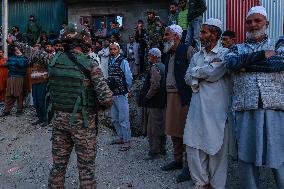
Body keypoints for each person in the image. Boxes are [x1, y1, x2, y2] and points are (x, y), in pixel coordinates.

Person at [224, 6, 284, 189]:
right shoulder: (236, 48)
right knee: (246, 156)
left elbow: (280, 62)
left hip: (273, 106)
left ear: (267, 23)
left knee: (279, 154)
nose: (252, 25)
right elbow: (230, 63)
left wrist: (246, 65)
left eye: (257, 21)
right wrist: (262, 55)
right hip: (245, 107)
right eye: (249, 22)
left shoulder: (279, 43)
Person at [47, 24, 113, 188]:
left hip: (59, 121)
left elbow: (34, 53)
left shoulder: (54, 60)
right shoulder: (90, 64)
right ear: (84, 41)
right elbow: (106, 99)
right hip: (83, 123)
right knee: (86, 170)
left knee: (58, 166)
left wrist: (14, 43)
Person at [184, 18, 230, 189]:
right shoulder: (197, 55)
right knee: (193, 145)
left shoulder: (225, 54)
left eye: (203, 32)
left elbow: (214, 72)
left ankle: (217, 185)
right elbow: (187, 78)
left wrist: (197, 72)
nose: (200, 35)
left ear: (215, 34)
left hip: (217, 110)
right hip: (196, 108)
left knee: (217, 149)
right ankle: (201, 182)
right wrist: (199, 74)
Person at [161, 24, 194, 183]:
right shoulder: (168, 53)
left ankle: (189, 166)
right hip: (170, 96)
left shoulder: (188, 50)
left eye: (167, 34)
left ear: (176, 36)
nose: (164, 37)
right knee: (173, 131)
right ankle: (178, 159)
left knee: (185, 131)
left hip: (183, 97)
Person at [139, 48, 166, 160]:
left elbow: (155, 86)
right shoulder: (163, 66)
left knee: (153, 128)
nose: (148, 56)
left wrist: (146, 97)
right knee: (161, 127)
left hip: (154, 103)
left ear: (154, 56)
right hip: (161, 102)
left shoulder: (155, 68)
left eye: (150, 55)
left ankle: (155, 151)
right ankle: (162, 149)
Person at [108, 42, 133, 151]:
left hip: (122, 93)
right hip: (113, 93)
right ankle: (121, 137)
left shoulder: (123, 61)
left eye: (114, 49)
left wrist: (128, 89)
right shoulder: (110, 61)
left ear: (119, 50)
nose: (112, 51)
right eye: (111, 49)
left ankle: (127, 140)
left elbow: (128, 77)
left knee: (123, 118)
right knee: (114, 118)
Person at [0, 45, 29, 116]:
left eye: (18, 49)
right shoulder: (12, 57)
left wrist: (18, 58)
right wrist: (13, 63)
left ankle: (19, 110)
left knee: (19, 94)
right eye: (15, 49)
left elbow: (21, 65)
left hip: (19, 77)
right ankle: (7, 110)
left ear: (21, 50)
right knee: (8, 94)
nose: (17, 50)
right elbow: (7, 64)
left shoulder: (24, 58)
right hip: (10, 77)